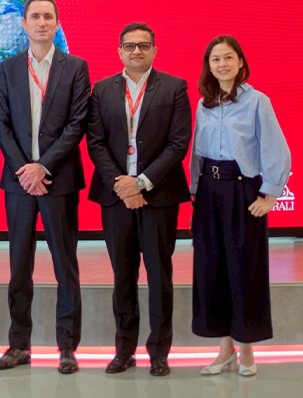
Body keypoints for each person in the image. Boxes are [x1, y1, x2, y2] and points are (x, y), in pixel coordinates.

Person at [0, 0, 90, 374]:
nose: (42, 22)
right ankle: (19, 345)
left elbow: (77, 124)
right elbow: (0, 122)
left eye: (48, 16)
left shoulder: (75, 67)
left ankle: (67, 347)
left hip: (58, 181)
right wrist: (25, 170)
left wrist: (43, 168)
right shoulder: (7, 69)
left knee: (65, 265)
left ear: (57, 23)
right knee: (19, 266)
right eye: (35, 16)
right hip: (19, 183)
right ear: (24, 23)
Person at [86, 22, 192, 377]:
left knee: (160, 276)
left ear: (154, 50)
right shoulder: (102, 90)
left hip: (158, 196)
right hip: (116, 197)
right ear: (119, 51)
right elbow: (95, 142)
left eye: (143, 45)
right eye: (129, 46)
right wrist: (122, 184)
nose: (136, 51)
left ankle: (159, 352)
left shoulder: (175, 87)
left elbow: (178, 143)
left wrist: (141, 184)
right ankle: (124, 350)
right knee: (123, 276)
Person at [190, 35, 290, 377]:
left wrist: (270, 194)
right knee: (212, 269)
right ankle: (224, 350)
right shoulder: (204, 104)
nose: (222, 64)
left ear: (240, 62)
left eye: (228, 57)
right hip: (208, 190)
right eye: (215, 59)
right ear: (209, 66)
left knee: (244, 269)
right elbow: (197, 152)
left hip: (242, 190)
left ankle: (246, 349)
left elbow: (275, 146)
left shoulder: (257, 101)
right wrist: (195, 192)